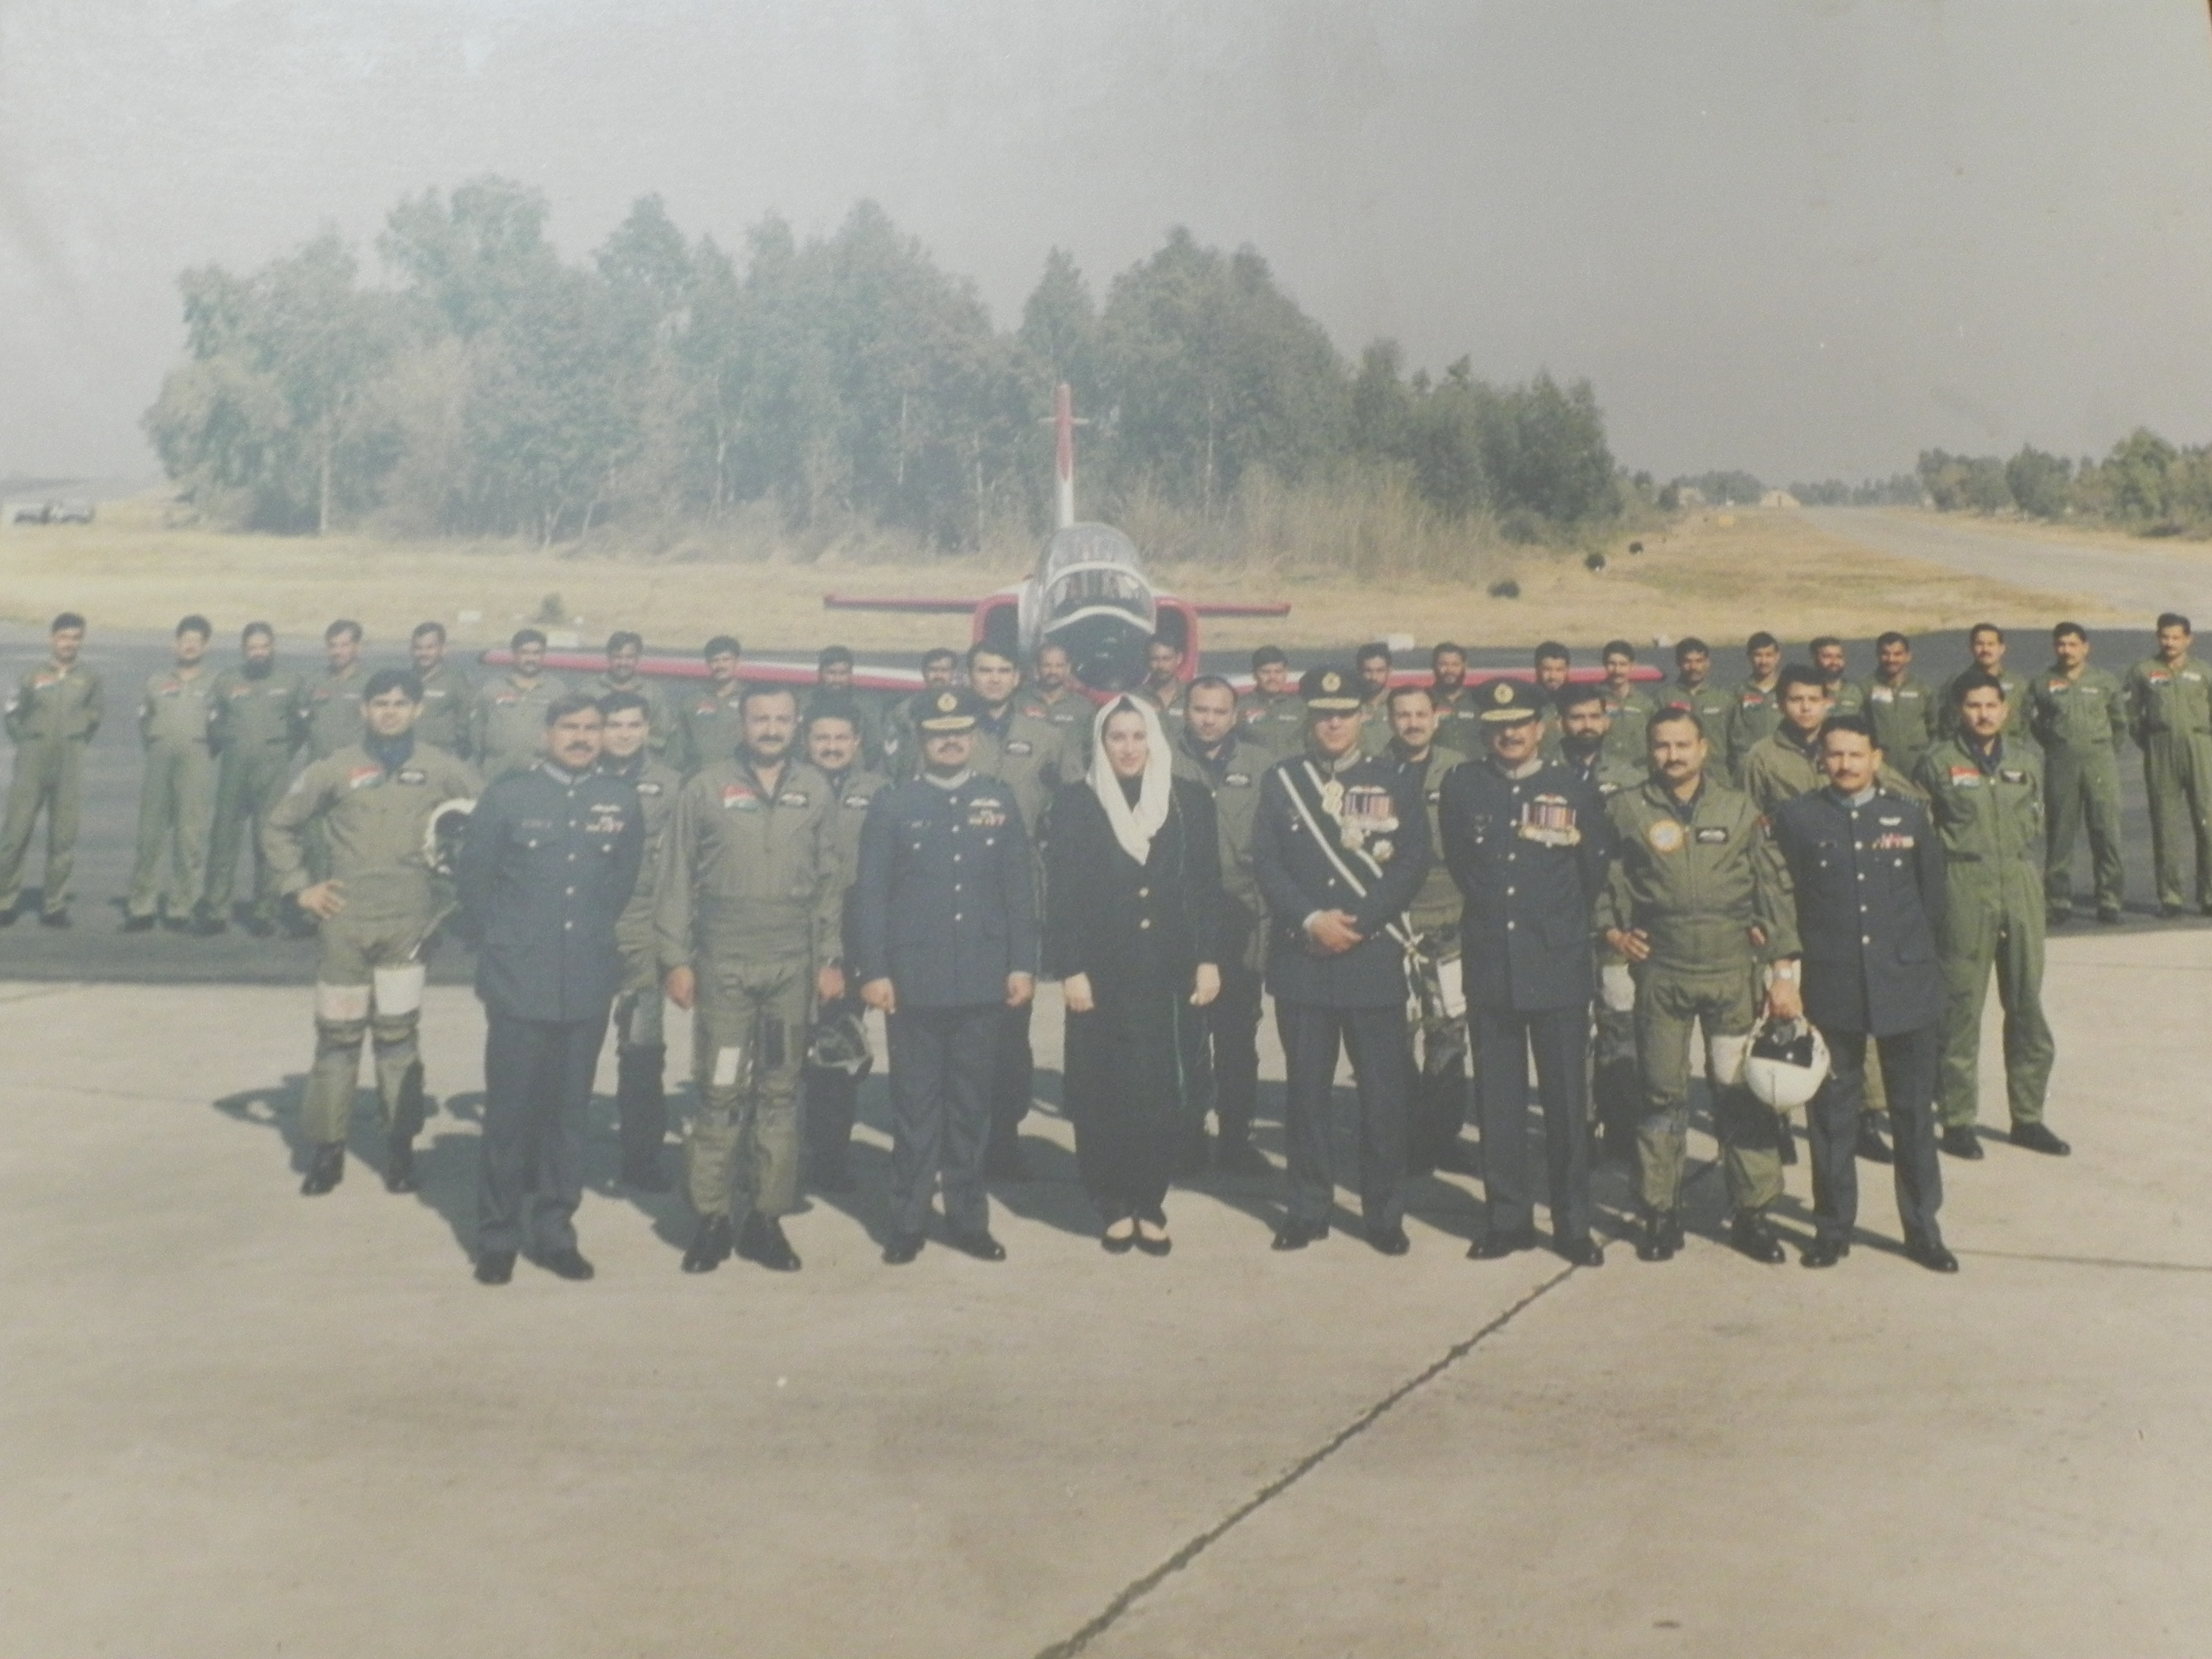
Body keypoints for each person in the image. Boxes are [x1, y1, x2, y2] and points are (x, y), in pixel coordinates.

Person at [1597, 707, 1801, 1265]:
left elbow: (1773, 889)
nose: (1673, 756)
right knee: (1662, 1095)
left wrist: (1783, 971)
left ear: (1704, 748)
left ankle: (1754, 1212)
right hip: (1663, 973)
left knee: (1741, 1092)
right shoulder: (1627, 809)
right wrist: (1611, 930)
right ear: (1649, 751)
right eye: (1662, 746)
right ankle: (1661, 1211)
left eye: (1683, 745)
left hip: (1732, 971)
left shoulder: (1738, 809)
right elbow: (1603, 878)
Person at [264, 669, 479, 1196]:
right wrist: (300, 888)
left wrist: (457, 895)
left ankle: (400, 1149)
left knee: (398, 1037)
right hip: (345, 921)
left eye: (400, 703)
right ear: (363, 709)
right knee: (338, 1039)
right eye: (380, 703)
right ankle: (327, 1149)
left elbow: (491, 818)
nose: (389, 711)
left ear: (417, 710)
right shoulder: (334, 767)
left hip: (408, 924)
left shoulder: (444, 770)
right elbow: (278, 825)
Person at [655, 684, 843, 1275]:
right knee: (720, 1089)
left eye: (782, 719)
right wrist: (676, 959)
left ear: (796, 725)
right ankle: (711, 1218)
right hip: (725, 963)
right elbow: (677, 875)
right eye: (760, 718)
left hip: (791, 965)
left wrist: (830, 957)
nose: (771, 728)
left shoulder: (815, 789)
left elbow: (831, 880)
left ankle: (766, 1218)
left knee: (781, 1093)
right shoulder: (706, 787)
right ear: (742, 723)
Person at [456, 695, 642, 1285]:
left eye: (593, 728)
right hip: (520, 981)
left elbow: (618, 885)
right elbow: (475, 885)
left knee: (568, 1115)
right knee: (510, 1115)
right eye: (571, 728)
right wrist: (511, 944)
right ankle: (497, 1237)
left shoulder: (619, 801)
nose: (583, 738)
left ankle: (556, 1231)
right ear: (546, 734)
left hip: (584, 980)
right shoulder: (509, 796)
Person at [1251, 666, 1431, 1255]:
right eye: (1324, 712)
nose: (1334, 722)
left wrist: (1361, 922)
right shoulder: (1284, 781)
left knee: (1382, 1096)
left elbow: (1411, 862)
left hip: (1371, 957)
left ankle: (1384, 1213)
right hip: (1304, 959)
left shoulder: (1394, 779)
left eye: (1345, 712)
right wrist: (1311, 920)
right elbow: (1269, 863)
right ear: (1310, 715)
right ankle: (1307, 1209)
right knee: (1307, 1095)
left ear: (1364, 716)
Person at [854, 688, 1038, 1265]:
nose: (950, 741)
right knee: (914, 1106)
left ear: (974, 737)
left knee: (970, 1105)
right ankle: (908, 1219)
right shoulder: (893, 804)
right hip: (914, 979)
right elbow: (872, 896)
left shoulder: (998, 799)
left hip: (982, 977)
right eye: (938, 733)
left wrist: (1022, 964)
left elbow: (1018, 891)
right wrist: (876, 970)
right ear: (922, 740)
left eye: (959, 731)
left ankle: (967, 1218)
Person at [1769, 716, 1956, 1272]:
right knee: (1831, 1115)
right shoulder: (1799, 819)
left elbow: (1932, 900)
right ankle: (1832, 1228)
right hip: (1833, 986)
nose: (1846, 765)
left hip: (1904, 983)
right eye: (1835, 756)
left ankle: (1923, 1228)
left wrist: (1917, 967)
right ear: (1820, 760)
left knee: (1913, 1115)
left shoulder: (1908, 814)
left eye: (1856, 755)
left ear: (1876, 757)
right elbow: (1788, 899)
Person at [1439, 679, 1611, 1265]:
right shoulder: (1464, 786)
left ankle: (1572, 1225)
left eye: (1520, 723)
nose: (1509, 733)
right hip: (1492, 964)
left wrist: (1554, 927)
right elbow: (1466, 867)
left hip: (1556, 963)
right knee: (1498, 1104)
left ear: (1542, 728)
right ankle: (1506, 1219)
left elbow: (1591, 873)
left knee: (1566, 1106)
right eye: (1497, 724)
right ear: (1484, 730)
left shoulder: (1573, 787)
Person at [1048, 697, 1224, 1253]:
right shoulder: (1076, 804)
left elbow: (1203, 886)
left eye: (1137, 736)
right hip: (1102, 972)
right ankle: (1113, 1201)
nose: (1128, 748)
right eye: (1116, 738)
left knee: (1160, 1094)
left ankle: (1151, 1199)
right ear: (1100, 745)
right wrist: (1071, 968)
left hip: (1166, 970)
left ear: (1154, 741)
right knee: (1104, 1091)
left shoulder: (1188, 801)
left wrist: (1207, 957)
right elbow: (1064, 894)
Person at [1917, 672, 2066, 1159]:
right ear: (1960, 710)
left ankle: (2028, 1117)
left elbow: (2036, 819)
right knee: (1962, 1006)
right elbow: (1925, 832)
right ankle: (1958, 1118)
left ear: (2005, 709)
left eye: (1991, 705)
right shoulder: (1937, 764)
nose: (1983, 713)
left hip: (2019, 882)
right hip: (1964, 884)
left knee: (2026, 1002)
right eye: (1974, 705)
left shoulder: (2027, 760)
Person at [966, 642, 1072, 1179]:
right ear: (970, 675)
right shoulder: (944, 732)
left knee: (1013, 1020)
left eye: (1003, 670)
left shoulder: (1047, 737)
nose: (993, 679)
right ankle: (961, 1135)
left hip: (1019, 894)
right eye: (984, 670)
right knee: (957, 1017)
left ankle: (1005, 1135)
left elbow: (1074, 807)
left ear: (1018, 677)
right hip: (956, 889)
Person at [1172, 676, 1272, 1176]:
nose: (1208, 719)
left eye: (1218, 711)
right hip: (1180, 915)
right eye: (1200, 709)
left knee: (1237, 1035)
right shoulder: (1161, 761)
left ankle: (1237, 1135)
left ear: (1235, 716)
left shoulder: (1261, 767)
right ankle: (1188, 1134)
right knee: (1185, 1031)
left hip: (1240, 914)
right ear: (1185, 712)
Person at [800, 699, 891, 1193]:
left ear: (857, 743)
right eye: (821, 739)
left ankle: (830, 1161)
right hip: (792, 940)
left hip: (853, 942)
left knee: (839, 1055)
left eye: (841, 739)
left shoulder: (880, 793)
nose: (831, 748)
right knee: (783, 1058)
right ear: (806, 742)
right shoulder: (789, 788)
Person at [596, 689, 685, 1191]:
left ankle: (641, 1155)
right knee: (570, 1051)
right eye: (615, 725)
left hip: (645, 934)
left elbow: (682, 866)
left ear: (648, 728)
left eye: (633, 725)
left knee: (643, 1052)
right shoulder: (583, 777)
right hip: (586, 933)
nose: (624, 734)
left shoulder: (671, 786)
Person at [1386, 683, 1475, 1176]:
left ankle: (1441, 1135)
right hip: (1394, 921)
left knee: (1448, 1032)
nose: (1413, 723)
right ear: (1390, 719)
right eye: (1403, 714)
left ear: (1435, 719)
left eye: (1421, 714)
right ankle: (1398, 1133)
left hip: (1448, 919)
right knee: (1394, 1034)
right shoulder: (1373, 771)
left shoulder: (1460, 770)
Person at [1555, 681, 1646, 1164]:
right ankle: (1578, 1126)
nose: (1586, 725)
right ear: (1560, 724)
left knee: (1619, 1023)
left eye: (1594, 716)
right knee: (1571, 1029)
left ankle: (1621, 1125)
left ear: (1607, 720)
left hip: (1616, 921)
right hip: (1563, 922)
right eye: (1576, 717)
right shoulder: (1547, 776)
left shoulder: (1631, 777)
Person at [0, 611, 102, 928]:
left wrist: (76, 737)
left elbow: (95, 716)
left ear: (81, 641)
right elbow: (13, 713)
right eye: (63, 637)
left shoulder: (89, 679)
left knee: (63, 837)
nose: (69, 644)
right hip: (32, 762)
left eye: (75, 638)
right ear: (51, 639)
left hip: (69, 763)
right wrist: (28, 742)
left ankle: (54, 904)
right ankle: (5, 900)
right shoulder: (32, 676)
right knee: (15, 834)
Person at [203, 622, 304, 936]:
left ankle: (265, 911)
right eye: (252, 648)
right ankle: (216, 909)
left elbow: (300, 727)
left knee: (269, 840)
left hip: (272, 771)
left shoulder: (290, 681)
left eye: (264, 647)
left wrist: (280, 753)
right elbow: (213, 722)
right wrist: (229, 744)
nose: (258, 653)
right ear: (243, 651)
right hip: (234, 769)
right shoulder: (227, 681)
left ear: (273, 648)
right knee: (223, 839)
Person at [124, 614, 218, 933]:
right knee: (150, 834)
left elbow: (222, 726)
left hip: (197, 760)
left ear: (206, 646)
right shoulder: (156, 681)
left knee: (189, 835)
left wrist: (204, 751)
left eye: (197, 641)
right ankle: (142, 905)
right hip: (160, 759)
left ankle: (181, 906)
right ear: (175, 643)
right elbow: (143, 720)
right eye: (185, 640)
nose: (190, 646)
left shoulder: (216, 685)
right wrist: (157, 743)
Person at [2030, 622, 2127, 926]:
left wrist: (2105, 752)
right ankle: (2058, 900)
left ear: (2086, 647)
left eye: (2073, 644)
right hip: (2062, 762)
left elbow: (2119, 723)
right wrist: (2059, 745)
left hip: (2100, 761)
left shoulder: (2105, 681)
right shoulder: (2044, 682)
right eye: (2061, 644)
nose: (2067, 650)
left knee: (2106, 831)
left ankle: (2110, 899)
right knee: (2060, 832)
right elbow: (2036, 723)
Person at [2124, 614, 2212, 918]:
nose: (2170, 643)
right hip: (2161, 752)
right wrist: (2152, 743)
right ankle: (2171, 896)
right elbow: (2131, 716)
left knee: (2208, 823)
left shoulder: (2204, 672)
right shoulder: (2143, 672)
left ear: (2189, 639)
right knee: (2165, 826)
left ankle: (2209, 895)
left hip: (2200, 750)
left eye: (2176, 637)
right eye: (2165, 637)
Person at [471, 628, 566, 780]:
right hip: (497, 772)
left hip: (541, 773)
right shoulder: (491, 689)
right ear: (514, 654)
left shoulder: (558, 691)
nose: (531, 658)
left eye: (537, 653)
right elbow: (476, 733)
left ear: (543, 655)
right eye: (525, 652)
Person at [1941, 623, 2035, 751]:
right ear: (1971, 649)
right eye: (1980, 644)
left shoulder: (2019, 685)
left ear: (2002, 648)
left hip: (2010, 753)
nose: (1985, 649)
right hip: (1968, 753)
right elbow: (1947, 724)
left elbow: (2026, 722)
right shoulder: (1957, 683)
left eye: (1991, 644)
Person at [588, 631, 677, 762]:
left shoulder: (652, 692)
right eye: (618, 657)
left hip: (640, 765)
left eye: (629, 657)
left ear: (638, 658)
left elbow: (660, 736)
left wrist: (631, 744)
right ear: (608, 657)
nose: (623, 663)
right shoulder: (590, 691)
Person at [1863, 631, 1938, 781]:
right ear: (1878, 655)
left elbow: (1936, 728)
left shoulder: (1923, 689)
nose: (1891, 659)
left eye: (1897, 654)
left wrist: (1929, 758)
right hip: (1882, 768)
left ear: (1908, 656)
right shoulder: (1865, 687)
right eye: (1886, 654)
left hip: (1918, 768)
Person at [298, 620, 367, 762]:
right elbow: (299, 722)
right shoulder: (313, 682)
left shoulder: (370, 684)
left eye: (344, 645)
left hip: (355, 766)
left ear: (358, 647)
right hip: (318, 765)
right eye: (332, 646)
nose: (337, 652)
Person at [677, 635, 747, 776]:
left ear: (738, 662)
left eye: (726, 660)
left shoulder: (751, 701)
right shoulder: (692, 703)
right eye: (715, 660)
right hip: (698, 778)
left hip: (739, 779)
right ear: (708, 664)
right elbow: (679, 747)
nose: (720, 666)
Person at [1721, 631, 1785, 783]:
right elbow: (1726, 731)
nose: (1763, 661)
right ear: (1749, 658)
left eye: (1769, 655)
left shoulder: (1788, 690)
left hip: (1782, 762)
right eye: (1758, 655)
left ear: (1778, 657)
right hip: (1748, 765)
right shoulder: (1736, 692)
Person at [1016, 643, 1091, 762]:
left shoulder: (1083, 706)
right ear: (1037, 668)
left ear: (1068, 668)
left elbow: (1091, 749)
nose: (1053, 671)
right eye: (1047, 665)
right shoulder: (1019, 701)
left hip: (1069, 778)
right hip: (1028, 776)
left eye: (1059, 666)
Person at [409, 622, 474, 758]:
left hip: (442, 753)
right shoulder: (404, 679)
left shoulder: (455, 680)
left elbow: (467, 716)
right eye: (418, 648)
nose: (423, 653)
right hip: (408, 751)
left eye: (430, 648)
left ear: (443, 649)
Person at [1660, 637, 1732, 748]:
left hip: (1715, 765)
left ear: (1708, 663)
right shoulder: (1664, 698)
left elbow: (1737, 742)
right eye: (1687, 662)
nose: (1693, 667)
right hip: (1677, 762)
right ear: (1678, 663)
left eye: (1699, 661)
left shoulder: (1724, 699)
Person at [1598, 640, 1658, 767]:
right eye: (1612, 664)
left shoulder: (1646, 704)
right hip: (1604, 772)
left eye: (1623, 664)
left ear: (1633, 666)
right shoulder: (1594, 700)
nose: (1617, 670)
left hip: (1639, 773)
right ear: (1604, 665)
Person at [1236, 647, 1306, 755]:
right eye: (1265, 672)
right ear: (1254, 674)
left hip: (1292, 769)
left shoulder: (1300, 706)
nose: (1272, 678)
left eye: (1278, 672)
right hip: (1255, 769)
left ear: (1286, 673)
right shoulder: (1239, 705)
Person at [1429, 642, 1481, 754]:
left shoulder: (1479, 699)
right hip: (1439, 769)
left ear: (1465, 666)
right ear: (1433, 666)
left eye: (1455, 665)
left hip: (1475, 769)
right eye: (1443, 664)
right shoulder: (1424, 699)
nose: (1449, 670)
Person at [1138, 633, 1189, 736]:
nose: (1161, 665)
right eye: (1155, 659)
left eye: (1167, 659)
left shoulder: (1192, 695)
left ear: (1179, 659)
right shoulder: (1136, 698)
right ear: (1147, 661)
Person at [1354, 642, 1396, 757]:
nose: (1374, 677)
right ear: (1359, 671)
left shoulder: (1398, 704)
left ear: (1390, 671)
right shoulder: (1351, 706)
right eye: (1368, 671)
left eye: (1380, 671)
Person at [1532, 642, 1571, 758]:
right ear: (1537, 669)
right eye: (1547, 670)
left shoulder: (1576, 702)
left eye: (1559, 670)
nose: (1553, 677)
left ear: (1567, 670)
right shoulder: (1528, 703)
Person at [1809, 637, 1865, 717]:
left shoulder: (1856, 691)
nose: (1834, 662)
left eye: (1839, 657)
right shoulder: (1807, 691)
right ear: (1814, 658)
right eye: (1827, 656)